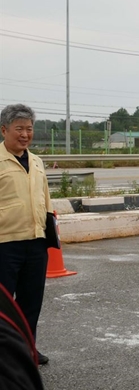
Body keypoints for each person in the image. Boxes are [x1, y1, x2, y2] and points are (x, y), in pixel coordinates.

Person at [0, 104, 51, 366]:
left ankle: (27, 349)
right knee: (4, 305)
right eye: (19, 128)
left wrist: (50, 228)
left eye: (29, 129)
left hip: (35, 243)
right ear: (4, 130)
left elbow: (45, 199)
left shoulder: (36, 161)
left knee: (31, 302)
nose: (24, 134)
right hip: (5, 244)